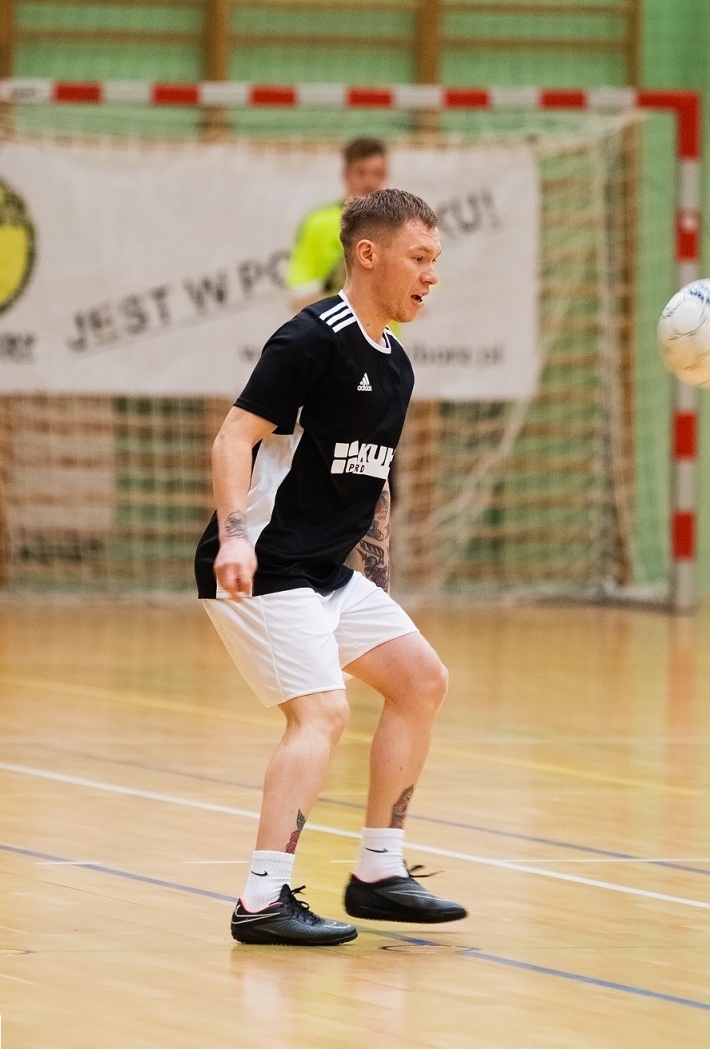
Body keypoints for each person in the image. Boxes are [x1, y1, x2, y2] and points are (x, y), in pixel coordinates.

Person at [197, 188, 466, 946]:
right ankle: (261, 900)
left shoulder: (396, 366)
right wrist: (235, 537)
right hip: (264, 566)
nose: (432, 274)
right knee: (322, 714)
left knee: (421, 680)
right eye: (420, 257)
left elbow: (370, 483)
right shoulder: (310, 340)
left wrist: (374, 587)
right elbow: (232, 438)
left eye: (436, 260)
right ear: (368, 255)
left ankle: (378, 872)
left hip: (326, 575)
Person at [286, 137, 388, 314]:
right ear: (346, 174)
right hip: (330, 331)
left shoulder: (399, 226)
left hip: (382, 332)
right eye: (361, 173)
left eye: (378, 174)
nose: (370, 182)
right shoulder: (317, 224)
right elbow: (296, 299)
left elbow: (424, 303)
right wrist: (332, 283)